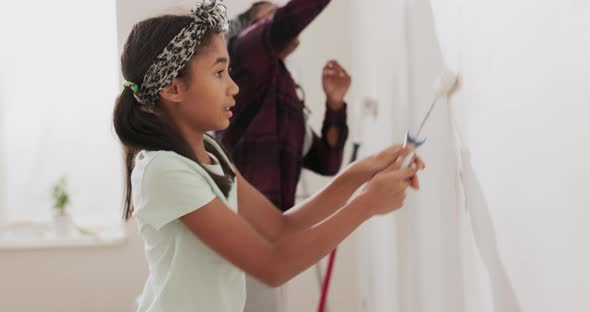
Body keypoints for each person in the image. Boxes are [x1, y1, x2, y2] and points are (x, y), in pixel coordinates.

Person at [112, 1, 424, 311]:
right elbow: (272, 267)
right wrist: (367, 203)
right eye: (219, 72)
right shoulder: (163, 168)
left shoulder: (211, 152)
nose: (233, 87)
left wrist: (361, 173)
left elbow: (279, 227)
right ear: (174, 89)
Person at [218, 0, 350, 212]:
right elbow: (285, 22)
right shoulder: (239, 53)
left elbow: (328, 162)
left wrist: (334, 104)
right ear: (251, 29)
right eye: (271, 15)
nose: (279, 17)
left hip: (278, 232)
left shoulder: (287, 95)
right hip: (237, 225)